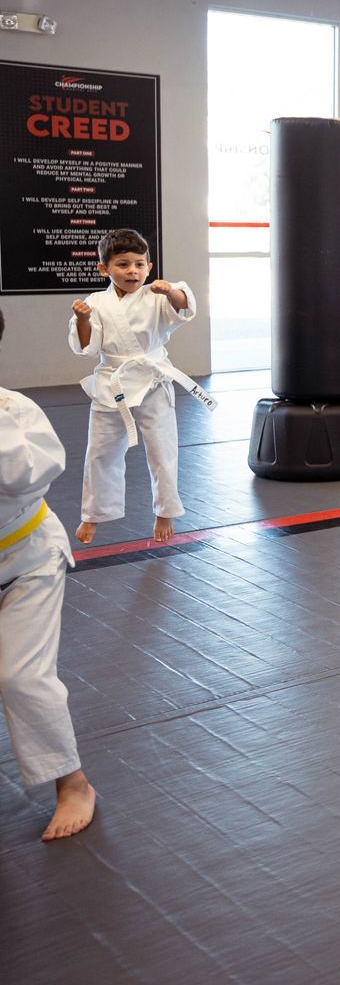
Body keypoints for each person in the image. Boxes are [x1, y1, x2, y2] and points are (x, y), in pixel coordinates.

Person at [0, 309, 96, 842]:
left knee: (20, 676)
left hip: (26, 559)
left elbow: (28, 476)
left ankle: (73, 783)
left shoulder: (13, 409)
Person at [67, 228, 212, 544]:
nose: (132, 271)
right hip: (112, 383)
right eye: (123, 264)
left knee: (162, 449)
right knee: (101, 452)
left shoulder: (155, 296)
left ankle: (165, 511)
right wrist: (80, 320)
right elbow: (87, 347)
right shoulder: (96, 302)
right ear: (104, 268)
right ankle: (93, 514)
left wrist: (171, 291)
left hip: (152, 382)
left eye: (139, 264)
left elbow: (184, 308)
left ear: (149, 266)